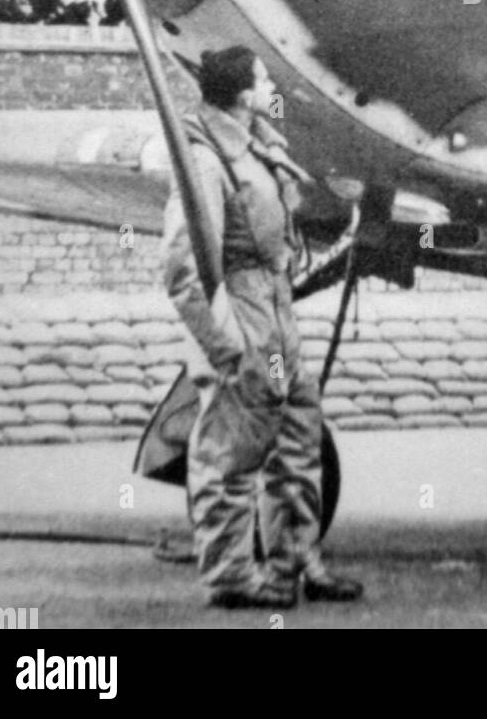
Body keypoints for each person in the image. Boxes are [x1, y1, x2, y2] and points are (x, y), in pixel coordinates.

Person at [162, 45, 363, 609]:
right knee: (228, 455)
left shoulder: (255, 146)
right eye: (263, 79)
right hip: (245, 318)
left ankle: (296, 564)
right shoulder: (205, 161)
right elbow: (184, 270)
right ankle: (231, 579)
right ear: (245, 95)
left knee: (298, 440)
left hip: (277, 316)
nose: (272, 86)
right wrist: (226, 351)